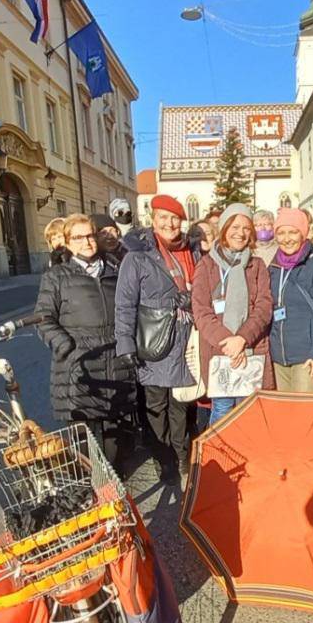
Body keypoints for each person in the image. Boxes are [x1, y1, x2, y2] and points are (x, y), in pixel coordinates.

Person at [34, 214, 136, 469]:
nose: (87, 242)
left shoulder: (115, 271)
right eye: (78, 237)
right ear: (68, 243)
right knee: (86, 439)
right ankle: (93, 490)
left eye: (90, 235)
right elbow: (43, 319)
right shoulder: (56, 277)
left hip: (116, 363)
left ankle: (113, 490)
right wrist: (66, 347)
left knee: (116, 440)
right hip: (80, 367)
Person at [115, 195, 199, 484]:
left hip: (185, 340)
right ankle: (164, 460)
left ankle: (181, 457)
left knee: (180, 405)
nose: (170, 223)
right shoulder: (137, 256)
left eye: (175, 218)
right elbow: (125, 303)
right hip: (154, 341)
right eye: (163, 217)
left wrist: (193, 300)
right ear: (153, 219)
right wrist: (125, 342)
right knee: (155, 406)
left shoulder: (192, 250)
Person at [192, 204, 274, 424]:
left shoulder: (257, 266)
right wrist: (228, 342)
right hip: (220, 351)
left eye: (246, 228)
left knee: (250, 414)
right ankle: (217, 458)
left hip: (251, 349)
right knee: (222, 411)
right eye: (235, 226)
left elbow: (264, 307)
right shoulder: (206, 265)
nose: (240, 233)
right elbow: (201, 311)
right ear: (224, 228)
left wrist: (242, 339)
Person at [267, 208, 313, 392]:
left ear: (303, 233)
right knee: (285, 415)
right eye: (281, 233)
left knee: (303, 414)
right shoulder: (274, 267)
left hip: (307, 356)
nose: (287, 238)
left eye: (293, 232)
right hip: (278, 356)